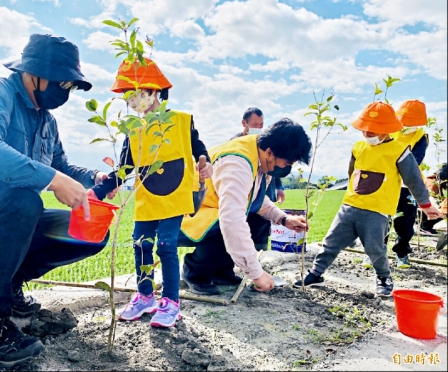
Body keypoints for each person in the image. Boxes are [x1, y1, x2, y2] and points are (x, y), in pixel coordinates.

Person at [0, 34, 111, 367]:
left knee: (87, 231)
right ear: (32, 73)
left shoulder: (46, 122)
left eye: (70, 86)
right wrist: (52, 180)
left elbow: (61, 165)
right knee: (23, 202)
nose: (64, 92)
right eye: (60, 82)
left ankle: (8, 288)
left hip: (3, 221)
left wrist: (93, 178)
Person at [88, 58, 213, 328]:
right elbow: (124, 168)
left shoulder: (181, 120)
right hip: (147, 197)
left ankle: (171, 302)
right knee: (140, 243)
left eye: (136, 94)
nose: (132, 101)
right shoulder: (133, 130)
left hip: (176, 194)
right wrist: (100, 191)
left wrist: (206, 163)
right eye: (127, 97)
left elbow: (198, 146)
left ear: (154, 91)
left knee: (167, 245)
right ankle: (145, 296)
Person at [294, 101, 442, 297]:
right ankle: (316, 273)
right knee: (331, 241)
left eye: (373, 130)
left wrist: (426, 205)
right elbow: (352, 173)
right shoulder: (358, 147)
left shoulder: (399, 150)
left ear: (387, 128)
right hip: (350, 205)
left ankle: (383, 278)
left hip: (377, 210)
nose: (367, 134)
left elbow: (414, 179)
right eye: (365, 129)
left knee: (375, 248)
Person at [178, 118, 312, 296]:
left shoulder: (257, 153)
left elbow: (253, 198)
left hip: (213, 208)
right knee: (227, 221)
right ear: (270, 153)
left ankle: (220, 271)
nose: (285, 169)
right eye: (286, 164)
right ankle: (195, 271)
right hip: (189, 213)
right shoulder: (237, 163)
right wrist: (257, 274)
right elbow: (231, 220)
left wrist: (283, 218)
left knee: (256, 218)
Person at [379, 100, 429, 269]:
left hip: (408, 185)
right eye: (405, 121)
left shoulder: (420, 136)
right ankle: (377, 252)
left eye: (412, 122)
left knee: (405, 221)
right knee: (381, 219)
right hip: (386, 182)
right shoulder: (389, 132)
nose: (407, 125)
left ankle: (402, 253)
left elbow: (415, 160)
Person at [231, 107, 289, 252]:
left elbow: (274, 164)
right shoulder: (234, 144)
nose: (259, 128)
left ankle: (259, 257)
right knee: (243, 231)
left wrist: (279, 187)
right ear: (244, 123)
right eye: (255, 125)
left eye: (261, 125)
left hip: (265, 194)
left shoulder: (265, 142)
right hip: (245, 197)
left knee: (262, 230)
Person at [421, 163, 448, 251]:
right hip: (424, 208)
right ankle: (423, 226)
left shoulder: (443, 183)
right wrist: (438, 209)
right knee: (442, 210)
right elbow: (429, 198)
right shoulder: (431, 182)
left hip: (436, 207)